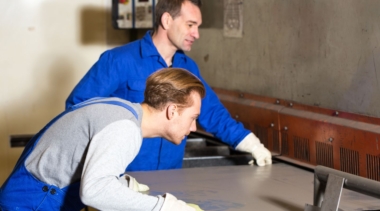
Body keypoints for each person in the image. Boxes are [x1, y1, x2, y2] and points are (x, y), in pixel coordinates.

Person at [66, 0, 272, 171]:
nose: (196, 34)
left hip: (170, 180)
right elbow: (78, 108)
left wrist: (252, 144)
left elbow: (213, 114)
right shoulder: (119, 60)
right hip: (123, 178)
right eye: (190, 25)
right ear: (166, 20)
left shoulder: (188, 67)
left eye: (197, 26)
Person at [0, 68, 205, 211]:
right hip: (30, 204)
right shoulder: (125, 128)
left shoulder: (120, 108)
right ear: (172, 111)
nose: (194, 127)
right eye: (193, 118)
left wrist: (120, 184)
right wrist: (163, 207)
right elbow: (94, 192)